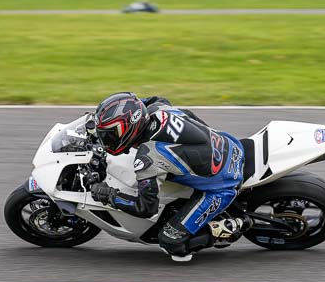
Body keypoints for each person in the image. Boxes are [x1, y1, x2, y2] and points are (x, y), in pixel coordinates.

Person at [89, 92, 250, 262]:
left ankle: (232, 225)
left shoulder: (148, 158)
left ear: (129, 129)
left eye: (111, 135)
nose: (106, 140)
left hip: (224, 184)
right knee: (185, 114)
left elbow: (146, 208)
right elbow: (148, 100)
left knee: (170, 241)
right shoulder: (158, 107)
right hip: (229, 144)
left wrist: (108, 195)